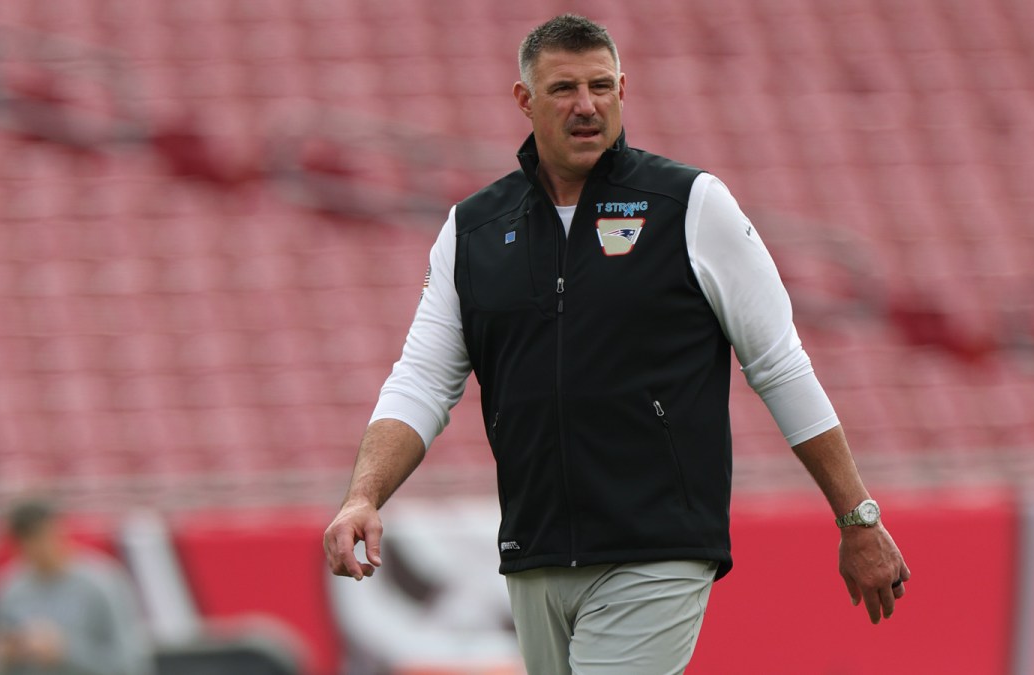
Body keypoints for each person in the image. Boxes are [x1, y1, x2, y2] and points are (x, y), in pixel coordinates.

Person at [324, 14, 910, 673]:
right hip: (536, 549)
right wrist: (364, 494)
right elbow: (424, 378)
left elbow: (778, 362)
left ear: (624, 89)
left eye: (602, 86)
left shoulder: (690, 205)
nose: (586, 106)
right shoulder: (473, 229)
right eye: (564, 89)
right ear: (524, 100)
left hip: (656, 546)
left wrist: (857, 516)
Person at [0, 499, 154, 675]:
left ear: (58, 530)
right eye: (26, 541)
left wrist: (66, 651)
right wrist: (8, 656)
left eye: (40, 536)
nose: (36, 548)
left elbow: (132, 664)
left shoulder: (102, 583)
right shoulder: (8, 591)